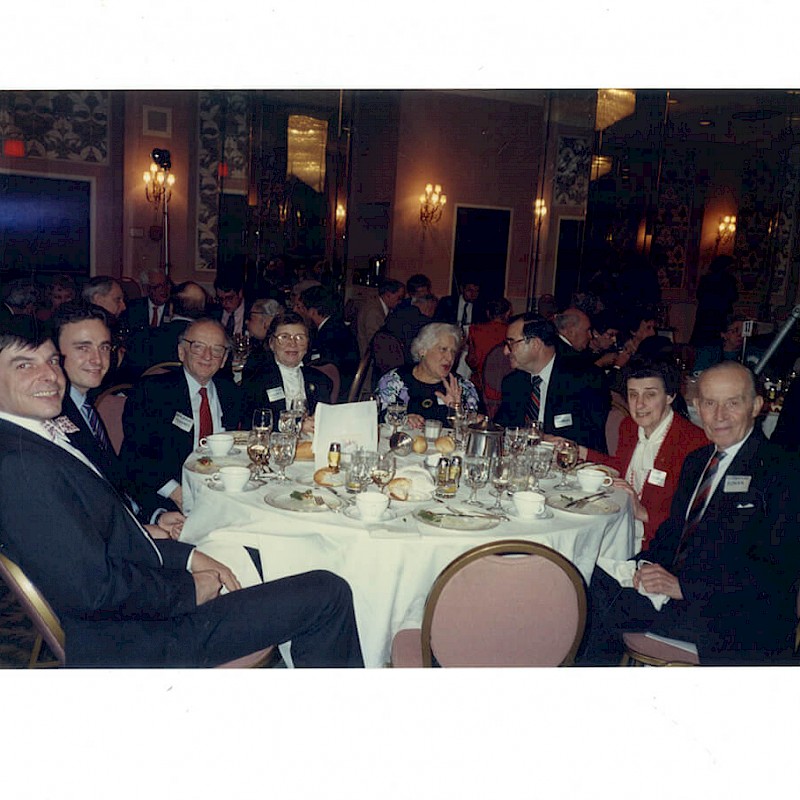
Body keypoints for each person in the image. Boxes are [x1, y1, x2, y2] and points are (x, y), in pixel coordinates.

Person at [0, 325, 363, 668]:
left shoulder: (35, 439)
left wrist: (188, 556)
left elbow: (108, 540)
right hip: (137, 635)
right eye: (23, 365)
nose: (48, 375)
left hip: (139, 596)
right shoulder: (20, 467)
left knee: (258, 555)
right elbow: (92, 590)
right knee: (327, 592)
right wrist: (187, 589)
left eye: (50, 361)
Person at [578, 361, 800, 665]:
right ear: (698, 405)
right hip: (680, 592)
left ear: (757, 405)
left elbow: (776, 572)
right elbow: (673, 531)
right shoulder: (698, 461)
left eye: (732, 403)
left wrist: (682, 587)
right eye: (710, 403)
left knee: (593, 607)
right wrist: (643, 566)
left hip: (733, 617)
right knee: (585, 580)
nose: (719, 415)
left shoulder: (783, 471)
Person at [50, 302, 182, 533]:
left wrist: (156, 515)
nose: (97, 359)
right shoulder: (52, 421)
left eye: (103, 347)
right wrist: (142, 534)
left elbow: (117, 479)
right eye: (83, 348)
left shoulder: (84, 406)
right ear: (54, 354)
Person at [578, 357, 709, 552]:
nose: (639, 405)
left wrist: (642, 512)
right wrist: (580, 451)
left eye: (650, 395)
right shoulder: (629, 427)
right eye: (633, 395)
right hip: (620, 523)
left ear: (670, 396)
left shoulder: (694, 443)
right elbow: (620, 467)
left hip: (655, 542)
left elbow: (693, 517)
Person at [120, 318, 242, 513]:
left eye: (217, 349)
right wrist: (178, 494)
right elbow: (136, 456)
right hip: (167, 496)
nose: (207, 356)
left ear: (224, 359)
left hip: (222, 492)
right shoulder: (151, 392)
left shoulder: (231, 393)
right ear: (181, 351)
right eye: (198, 347)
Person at [495, 313, 609, 452]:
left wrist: (542, 441)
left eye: (511, 343)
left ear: (536, 344)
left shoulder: (584, 379)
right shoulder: (513, 383)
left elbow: (589, 438)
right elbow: (501, 430)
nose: (506, 351)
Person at [375, 322, 482, 428]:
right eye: (443, 349)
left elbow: (474, 431)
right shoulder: (393, 381)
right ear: (422, 350)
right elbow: (375, 419)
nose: (449, 358)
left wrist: (457, 411)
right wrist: (402, 420)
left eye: (453, 352)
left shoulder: (463, 388)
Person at [241, 311, 332, 432]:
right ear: (272, 344)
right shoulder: (256, 379)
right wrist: (297, 426)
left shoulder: (321, 381)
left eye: (300, 338)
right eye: (284, 337)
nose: (292, 343)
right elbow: (253, 423)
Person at [296, 285, 360, 395]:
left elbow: (322, 368)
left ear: (312, 312)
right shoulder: (334, 326)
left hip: (335, 391)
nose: (295, 310)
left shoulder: (330, 335)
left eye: (300, 307)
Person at [465, 297, 512, 398]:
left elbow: (472, 361)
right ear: (508, 313)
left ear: (488, 313)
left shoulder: (475, 330)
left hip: (481, 386)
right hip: (506, 386)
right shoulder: (512, 332)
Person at [690, 255, 739, 346]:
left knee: (701, 341)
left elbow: (699, 295)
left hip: (704, 314)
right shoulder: (728, 280)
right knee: (717, 342)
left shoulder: (705, 279)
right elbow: (733, 296)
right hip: (719, 315)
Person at [693, 315, 762, 373]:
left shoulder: (753, 353)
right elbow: (698, 374)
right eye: (735, 331)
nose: (740, 335)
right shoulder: (708, 352)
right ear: (723, 334)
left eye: (743, 331)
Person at [356, 277, 406, 357]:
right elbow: (375, 342)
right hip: (369, 361)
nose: (400, 301)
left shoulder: (379, 307)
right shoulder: (374, 312)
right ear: (388, 295)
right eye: (399, 298)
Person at [383, 292, 438, 362]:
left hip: (384, 362)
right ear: (429, 306)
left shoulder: (393, 315)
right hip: (407, 366)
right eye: (434, 309)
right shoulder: (425, 324)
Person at [213, 273, 248, 337]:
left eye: (229, 298)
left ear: (240, 293)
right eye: (220, 299)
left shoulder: (251, 312)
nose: (224, 303)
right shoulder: (214, 312)